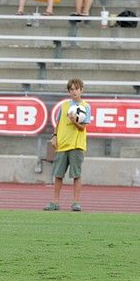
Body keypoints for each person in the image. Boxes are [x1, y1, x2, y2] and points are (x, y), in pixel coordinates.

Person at [45, 78, 91, 212]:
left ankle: (76, 203)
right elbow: (58, 123)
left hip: (76, 145)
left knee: (76, 175)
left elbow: (82, 127)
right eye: (71, 89)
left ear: (81, 90)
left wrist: (74, 120)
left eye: (76, 89)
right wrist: (54, 136)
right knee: (58, 175)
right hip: (62, 145)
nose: (74, 92)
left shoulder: (85, 106)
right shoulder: (64, 105)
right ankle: (55, 202)